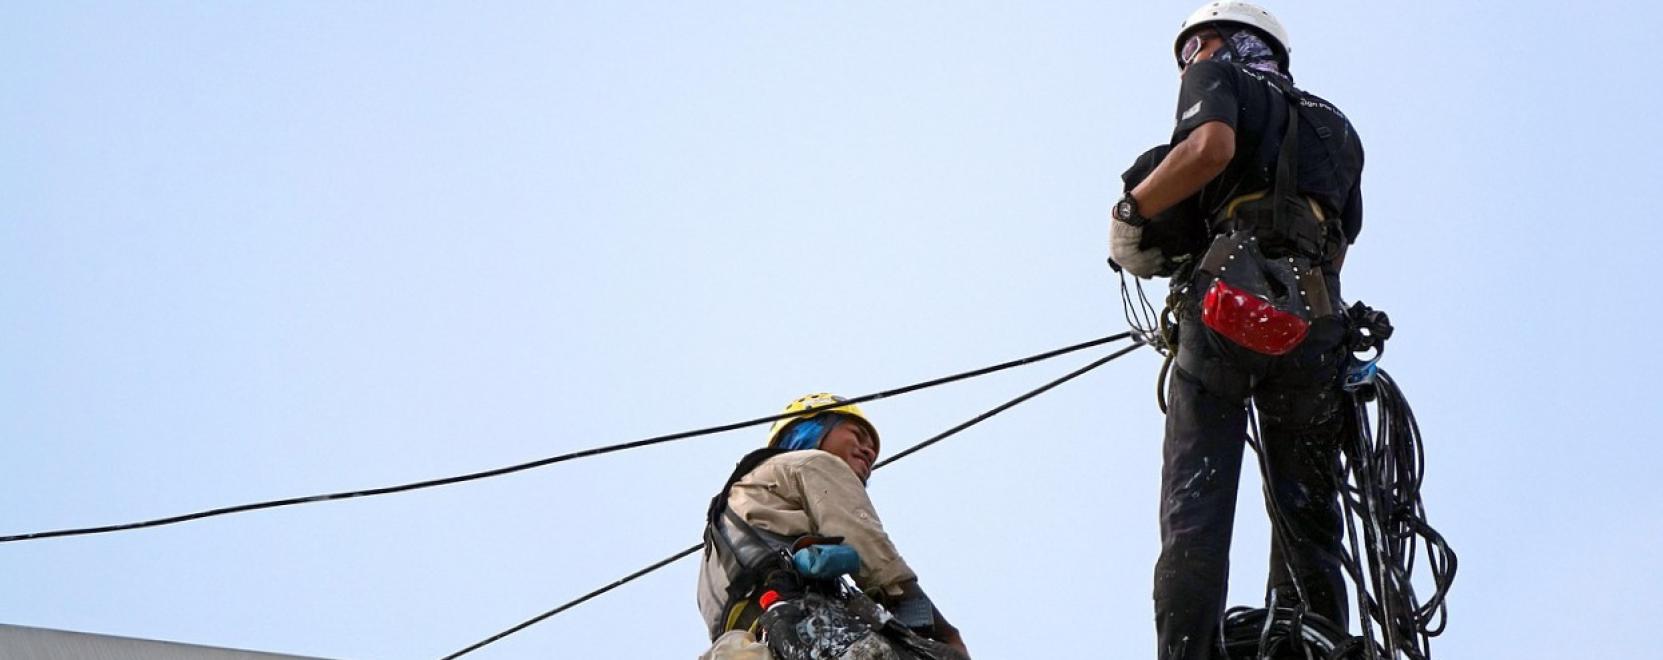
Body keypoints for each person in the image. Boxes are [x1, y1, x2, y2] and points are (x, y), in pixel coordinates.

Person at [1107, 3, 1367, 659]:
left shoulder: (1215, 73)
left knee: (1196, 498)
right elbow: (1339, 244)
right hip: (1316, 320)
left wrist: (1131, 209)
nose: (1190, 60)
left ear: (1215, 40)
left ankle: (1188, 650)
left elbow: (1208, 148)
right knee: (1307, 508)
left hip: (1229, 300)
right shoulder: (1336, 128)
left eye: (1192, 48)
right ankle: (1315, 639)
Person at [697, 393, 969, 660]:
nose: (868, 450)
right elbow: (873, 556)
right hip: (807, 625)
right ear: (811, 430)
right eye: (856, 435)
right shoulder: (813, 462)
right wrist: (946, 634)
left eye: (872, 449)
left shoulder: (722, 528)